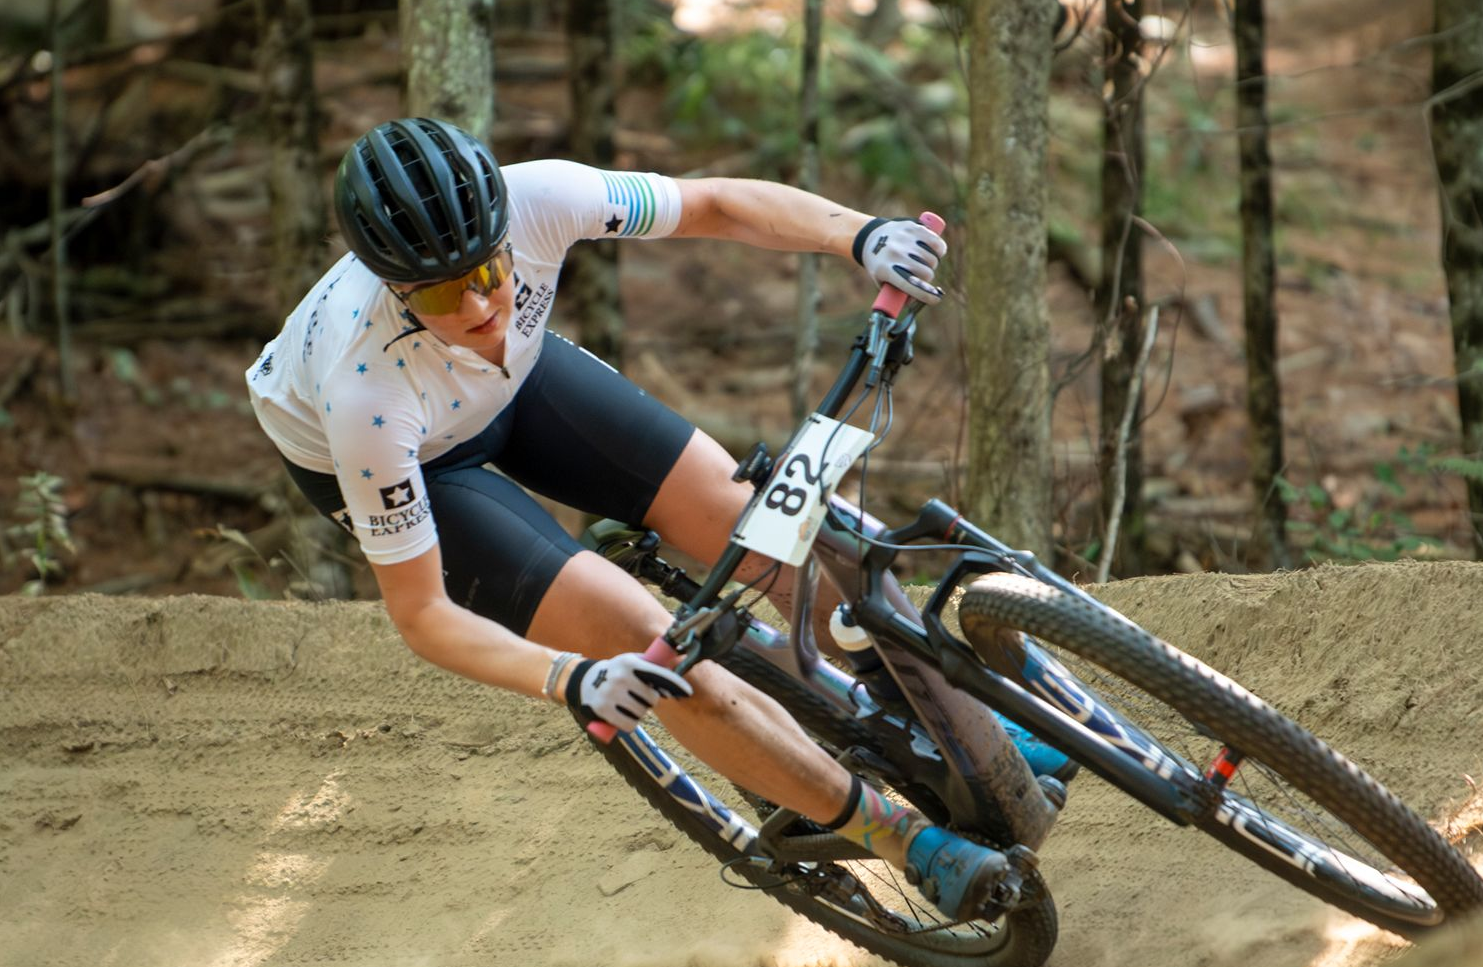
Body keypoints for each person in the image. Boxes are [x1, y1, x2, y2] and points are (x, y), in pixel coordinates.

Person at [246, 118, 1063, 920]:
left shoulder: (543, 197)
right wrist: (572, 677)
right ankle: (900, 838)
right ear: (394, 289)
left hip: (515, 384)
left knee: (772, 529)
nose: (480, 303)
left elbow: (712, 204)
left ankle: (958, 730)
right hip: (418, 455)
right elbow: (421, 615)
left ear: (504, 225)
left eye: (490, 270)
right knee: (647, 647)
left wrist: (862, 236)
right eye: (440, 291)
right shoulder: (362, 395)